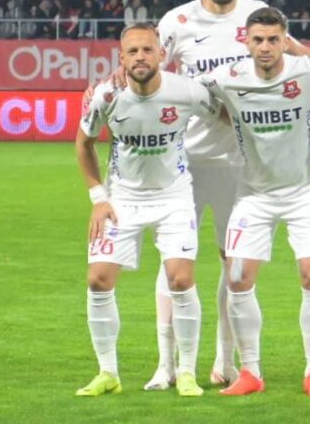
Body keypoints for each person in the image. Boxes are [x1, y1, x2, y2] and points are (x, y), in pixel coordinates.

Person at [147, 0, 310, 390]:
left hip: (239, 165)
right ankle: (166, 365)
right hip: (184, 161)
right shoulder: (177, 22)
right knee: (174, 262)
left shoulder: (259, 15)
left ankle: (226, 362)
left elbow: (302, 57)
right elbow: (146, 67)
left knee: (235, 266)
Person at [201, 7, 310, 397]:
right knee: (237, 279)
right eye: (258, 40)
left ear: (285, 39)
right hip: (254, 195)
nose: (265, 47)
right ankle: (251, 372)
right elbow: (179, 88)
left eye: (273, 39)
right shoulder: (227, 77)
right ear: (245, 41)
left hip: (305, 191)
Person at [74, 23, 217, 397]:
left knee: (181, 280)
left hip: (174, 198)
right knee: (98, 280)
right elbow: (84, 143)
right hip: (121, 200)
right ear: (121, 58)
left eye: (147, 50)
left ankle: (185, 372)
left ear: (161, 55)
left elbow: (224, 112)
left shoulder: (185, 91)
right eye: (132, 51)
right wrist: (98, 198)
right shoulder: (107, 95)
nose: (140, 57)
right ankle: (108, 373)